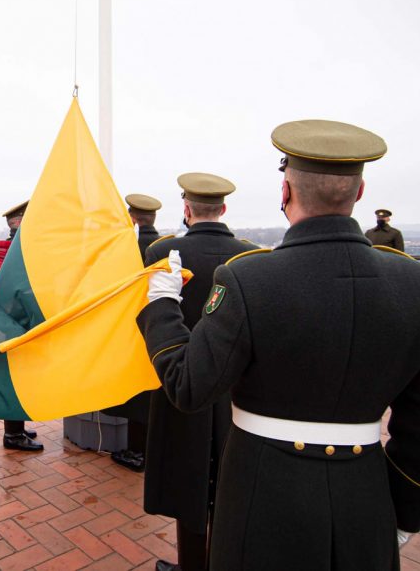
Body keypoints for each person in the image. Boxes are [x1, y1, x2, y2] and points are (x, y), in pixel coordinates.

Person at [137, 120, 420, 570]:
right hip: (365, 496)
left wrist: (160, 305)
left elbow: (189, 385)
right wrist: (406, 510)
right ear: (360, 192)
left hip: (259, 495)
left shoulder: (249, 278)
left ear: (285, 192)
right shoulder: (417, 284)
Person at [142, 174, 257, 571]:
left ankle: (191, 563)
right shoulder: (252, 256)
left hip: (178, 376)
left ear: (186, 209)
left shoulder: (162, 250)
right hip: (234, 389)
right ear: (223, 209)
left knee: (186, 480)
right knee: (229, 484)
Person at [103, 193, 164, 471]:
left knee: (138, 395)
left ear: (132, 218)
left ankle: (137, 452)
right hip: (161, 328)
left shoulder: (127, 248)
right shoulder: (165, 245)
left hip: (133, 330)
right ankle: (151, 449)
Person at [0, 200, 43, 451]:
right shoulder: (21, 250)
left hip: (7, 323)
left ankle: (16, 427)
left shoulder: (7, 247)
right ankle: (13, 435)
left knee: (16, 378)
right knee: (14, 380)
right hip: (17, 324)